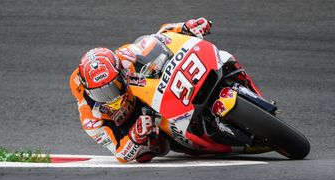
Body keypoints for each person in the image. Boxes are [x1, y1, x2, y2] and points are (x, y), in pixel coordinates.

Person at [69, 18, 251, 163]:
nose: (111, 97)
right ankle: (205, 140)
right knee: (149, 152)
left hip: (161, 92)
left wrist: (186, 27)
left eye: (114, 86)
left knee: (223, 58)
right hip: (146, 124)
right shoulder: (90, 118)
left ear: (120, 74)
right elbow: (119, 153)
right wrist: (135, 136)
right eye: (101, 93)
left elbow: (159, 37)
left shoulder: (125, 56)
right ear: (88, 90)